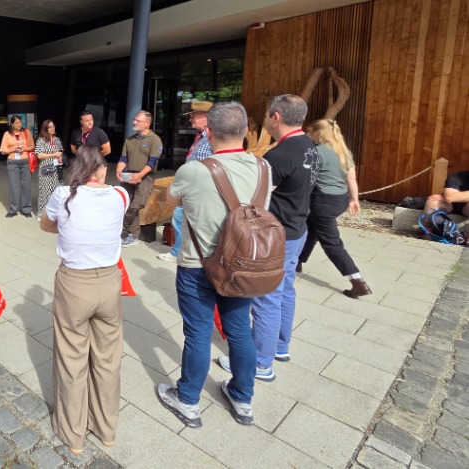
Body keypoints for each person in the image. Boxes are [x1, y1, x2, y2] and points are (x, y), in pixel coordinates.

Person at [157, 102, 265, 428]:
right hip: (242, 265)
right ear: (246, 131)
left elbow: (171, 201)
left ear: (210, 132)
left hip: (196, 265)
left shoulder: (194, 169)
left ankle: (188, 399)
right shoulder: (264, 168)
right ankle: (242, 398)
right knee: (239, 332)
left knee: (199, 333)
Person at [218, 94, 320, 380]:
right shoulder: (308, 146)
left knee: (265, 296)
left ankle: (260, 362)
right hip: (297, 228)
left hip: (276, 236)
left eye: (266, 114)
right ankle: (279, 346)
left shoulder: (280, 154)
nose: (263, 119)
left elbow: (258, 197)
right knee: (285, 289)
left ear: (275, 117)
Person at [40, 144, 126, 453]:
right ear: (102, 170)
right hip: (109, 281)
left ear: (79, 169)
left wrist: (66, 227)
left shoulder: (64, 196)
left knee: (71, 358)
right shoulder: (120, 196)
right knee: (107, 359)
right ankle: (106, 429)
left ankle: (73, 434)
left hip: (74, 282)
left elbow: (45, 224)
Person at [298, 119, 371, 298]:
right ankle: (297, 261)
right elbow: (351, 179)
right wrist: (354, 199)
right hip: (340, 200)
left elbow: (306, 178)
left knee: (331, 242)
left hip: (322, 201)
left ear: (319, 133)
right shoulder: (344, 152)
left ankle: (357, 280)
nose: (308, 135)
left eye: (310, 132)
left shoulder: (316, 152)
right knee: (312, 228)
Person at [159, 101, 213, 263]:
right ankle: (179, 251)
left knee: (182, 218)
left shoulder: (212, 138)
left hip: (199, 189)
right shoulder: (201, 137)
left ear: (205, 117)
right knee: (179, 218)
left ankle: (181, 252)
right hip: (190, 187)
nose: (190, 120)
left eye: (193, 116)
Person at [117, 111, 163, 248]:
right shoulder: (129, 140)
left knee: (136, 205)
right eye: (134, 120)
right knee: (125, 203)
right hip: (129, 175)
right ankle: (133, 235)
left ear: (147, 123)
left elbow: (153, 161)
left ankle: (119, 226)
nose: (134, 122)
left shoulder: (154, 140)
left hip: (145, 177)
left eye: (138, 120)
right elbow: (124, 158)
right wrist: (119, 169)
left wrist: (139, 175)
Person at [0, 115, 34, 218]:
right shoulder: (7, 134)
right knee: (13, 186)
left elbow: (32, 146)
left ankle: (27, 209)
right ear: (12, 124)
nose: (19, 124)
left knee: (26, 185)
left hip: (25, 161)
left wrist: (24, 149)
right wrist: (14, 150)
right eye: (17, 123)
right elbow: (3, 150)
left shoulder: (26, 132)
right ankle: (13, 209)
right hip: (12, 162)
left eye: (20, 122)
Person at [33, 119, 64, 223]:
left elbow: (60, 152)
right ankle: (41, 214)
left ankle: (56, 214)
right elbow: (39, 155)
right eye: (50, 127)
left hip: (56, 169)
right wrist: (53, 155)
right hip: (46, 169)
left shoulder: (57, 140)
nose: (52, 128)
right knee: (45, 192)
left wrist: (60, 157)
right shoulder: (41, 140)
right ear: (45, 128)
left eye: (53, 126)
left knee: (57, 191)